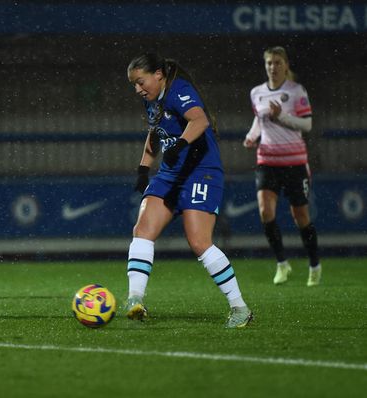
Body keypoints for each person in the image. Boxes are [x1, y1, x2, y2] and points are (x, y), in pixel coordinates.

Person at [126, 53, 253, 328]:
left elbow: (200, 121)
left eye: (140, 81)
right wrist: (143, 168)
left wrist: (181, 145)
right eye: (134, 85)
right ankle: (134, 299)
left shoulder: (179, 90)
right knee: (143, 230)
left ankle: (239, 307)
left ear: (158, 74)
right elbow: (153, 134)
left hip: (201, 172)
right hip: (170, 174)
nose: (137, 89)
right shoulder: (153, 102)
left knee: (199, 242)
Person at [243, 46, 321, 287]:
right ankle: (281, 264)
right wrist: (251, 136)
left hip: (295, 162)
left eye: (277, 63)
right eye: (269, 63)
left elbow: (307, 125)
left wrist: (282, 117)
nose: (272, 67)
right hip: (267, 160)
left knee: (301, 217)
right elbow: (259, 119)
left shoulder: (296, 91)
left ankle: (314, 264)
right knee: (265, 211)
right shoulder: (256, 92)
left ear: (286, 65)